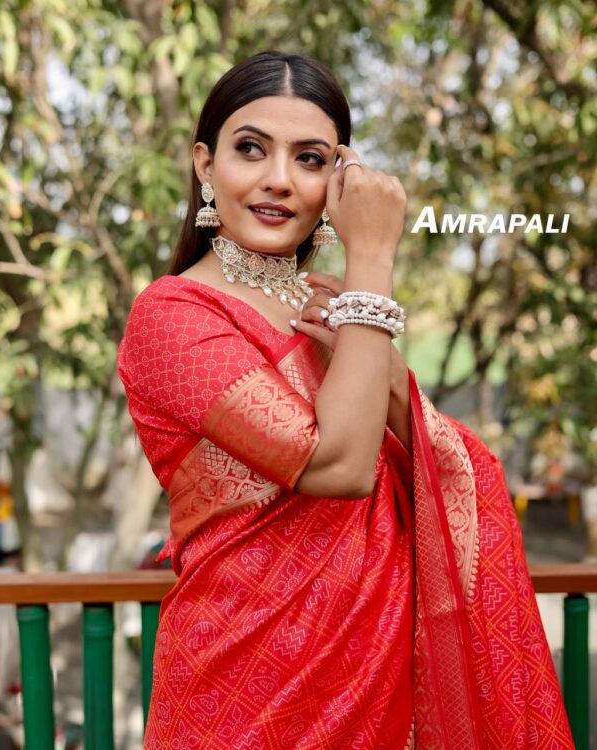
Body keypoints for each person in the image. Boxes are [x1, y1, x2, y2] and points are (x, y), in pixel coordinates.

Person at [116, 49, 574, 749]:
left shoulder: (339, 313)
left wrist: (372, 341)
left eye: (309, 159)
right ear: (205, 166)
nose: (278, 180)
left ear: (338, 180)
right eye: (250, 150)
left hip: (377, 679)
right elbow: (338, 468)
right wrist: (373, 262)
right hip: (243, 684)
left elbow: (451, 470)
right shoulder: (173, 314)